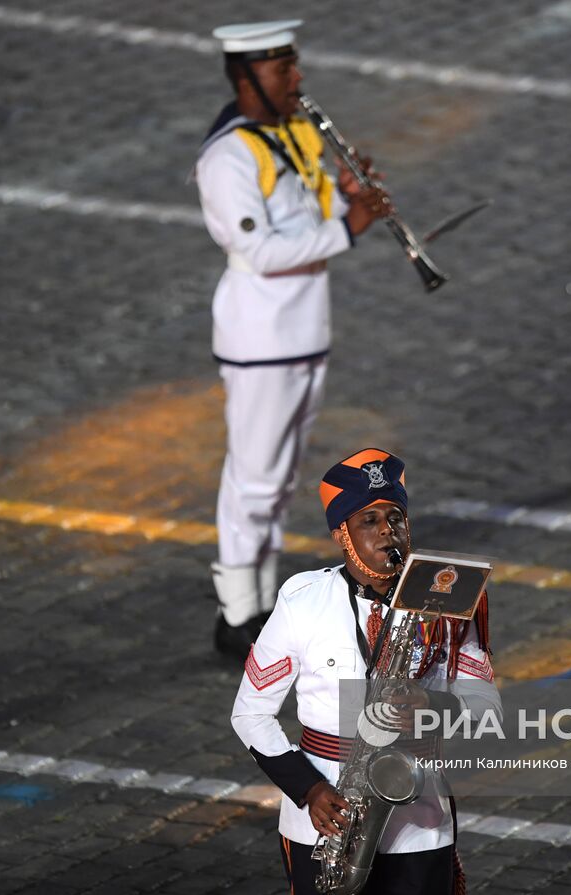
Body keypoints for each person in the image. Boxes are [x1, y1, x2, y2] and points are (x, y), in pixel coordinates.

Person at [196, 20, 391, 660]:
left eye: (293, 65)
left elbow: (317, 212)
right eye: (283, 70)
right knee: (252, 479)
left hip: (306, 326)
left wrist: (349, 199)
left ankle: (258, 600)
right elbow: (256, 248)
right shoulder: (228, 156)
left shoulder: (298, 131)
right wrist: (350, 229)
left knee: (279, 480)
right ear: (246, 76)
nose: (297, 78)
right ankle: (237, 611)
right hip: (261, 334)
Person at [231, 448, 501, 895]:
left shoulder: (452, 600)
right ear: (343, 534)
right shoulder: (303, 601)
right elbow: (250, 714)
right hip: (325, 819)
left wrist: (432, 707)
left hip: (420, 820)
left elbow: (485, 710)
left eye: (395, 518)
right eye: (369, 521)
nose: (386, 532)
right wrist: (309, 790)